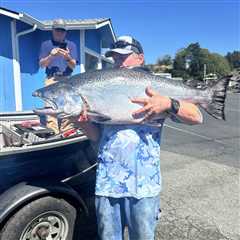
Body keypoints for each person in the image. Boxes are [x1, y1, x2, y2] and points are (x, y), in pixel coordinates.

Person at [76, 36, 203, 240]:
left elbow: (197, 117)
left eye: (124, 57)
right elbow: (96, 137)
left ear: (140, 58)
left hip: (144, 187)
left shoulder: (156, 88)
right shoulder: (103, 90)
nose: (118, 62)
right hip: (107, 185)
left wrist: (170, 104)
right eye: (115, 58)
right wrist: (82, 122)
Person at [39, 19, 77, 134]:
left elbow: (73, 65)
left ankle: (67, 130)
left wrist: (67, 57)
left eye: (62, 30)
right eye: (57, 30)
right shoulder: (46, 45)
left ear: (65, 32)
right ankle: (53, 131)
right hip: (51, 78)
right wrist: (51, 55)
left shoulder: (71, 45)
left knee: (68, 104)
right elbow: (42, 65)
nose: (60, 32)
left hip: (67, 78)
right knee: (51, 105)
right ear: (53, 30)